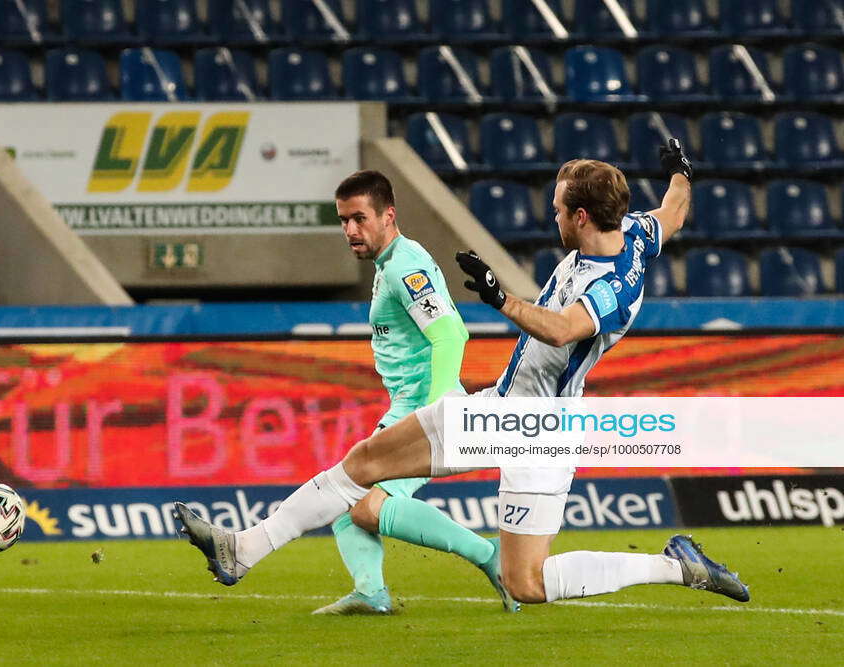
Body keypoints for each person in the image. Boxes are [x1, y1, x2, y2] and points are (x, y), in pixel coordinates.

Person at [174, 140, 751, 606]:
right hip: (503, 408)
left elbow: (564, 329)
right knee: (364, 465)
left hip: (542, 429)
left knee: (526, 582)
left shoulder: (612, 285)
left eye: (556, 209)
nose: (551, 217)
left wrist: (502, 300)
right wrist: (681, 171)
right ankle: (242, 549)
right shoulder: (638, 235)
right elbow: (673, 210)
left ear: (579, 216)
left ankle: (675, 568)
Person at [313, 170, 512, 614]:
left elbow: (451, 334)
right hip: (410, 405)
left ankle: (489, 555)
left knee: (360, 502)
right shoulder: (390, 264)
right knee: (348, 503)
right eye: (343, 220)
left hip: (422, 408)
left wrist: (437, 406)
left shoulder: (406, 266)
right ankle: (370, 592)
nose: (350, 230)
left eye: (359, 218)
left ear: (389, 215)